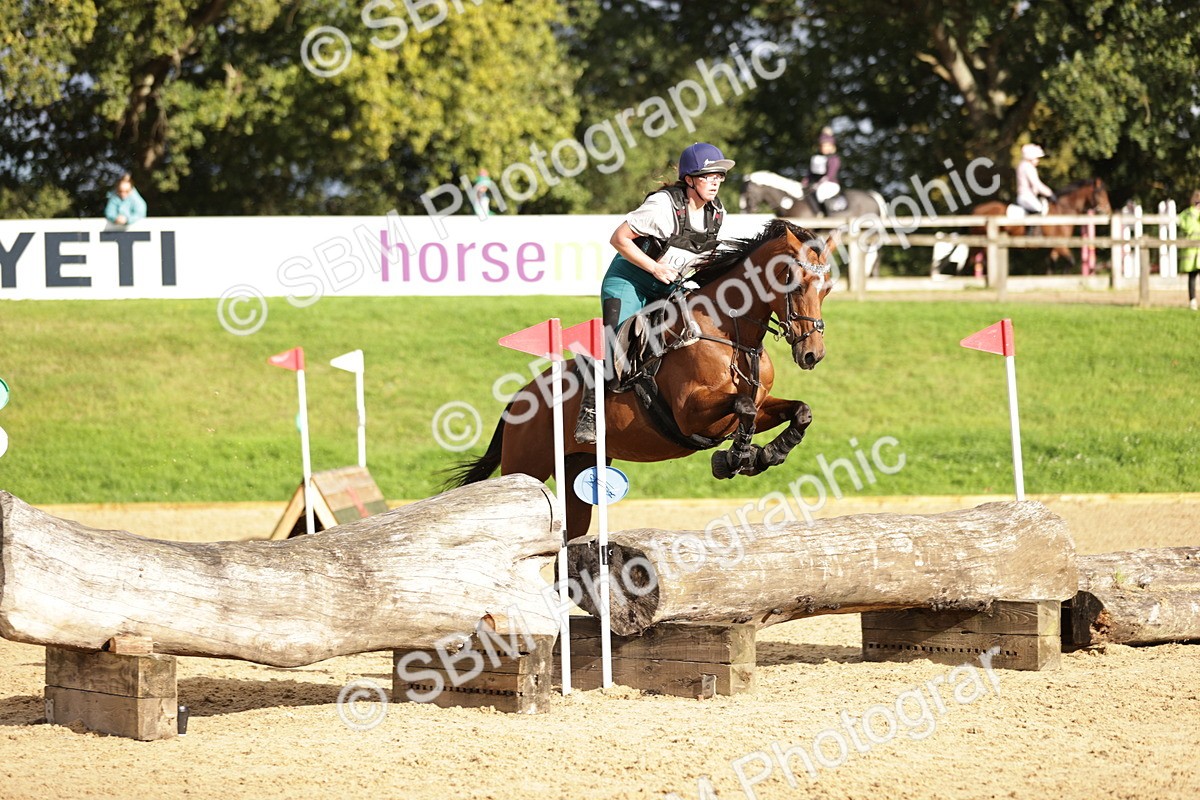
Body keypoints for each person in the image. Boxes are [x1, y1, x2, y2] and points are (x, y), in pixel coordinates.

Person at [575, 142, 734, 443]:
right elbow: (619, 238)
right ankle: (589, 413)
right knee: (616, 342)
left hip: (668, 286)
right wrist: (654, 268)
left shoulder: (716, 213)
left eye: (719, 176)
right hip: (629, 280)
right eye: (708, 175)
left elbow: (700, 258)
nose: (715, 181)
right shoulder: (663, 206)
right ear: (689, 179)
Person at [805, 127, 845, 215]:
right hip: (816, 184)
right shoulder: (816, 158)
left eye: (827, 146)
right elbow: (810, 173)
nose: (825, 148)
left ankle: (827, 216)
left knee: (820, 193)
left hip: (830, 183)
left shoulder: (834, 159)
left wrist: (818, 184)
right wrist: (805, 182)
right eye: (823, 145)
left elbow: (830, 175)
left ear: (831, 146)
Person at [1015, 144, 1055, 216]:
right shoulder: (1028, 167)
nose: (1038, 160)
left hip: (1026, 197)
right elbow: (1037, 184)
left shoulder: (1022, 165)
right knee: (1041, 209)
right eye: (1036, 158)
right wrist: (1050, 193)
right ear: (1031, 157)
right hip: (1027, 197)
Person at [1179, 189, 1200, 311]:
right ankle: (1192, 301)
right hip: (1191, 252)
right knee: (1192, 277)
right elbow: (1187, 228)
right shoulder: (1187, 214)